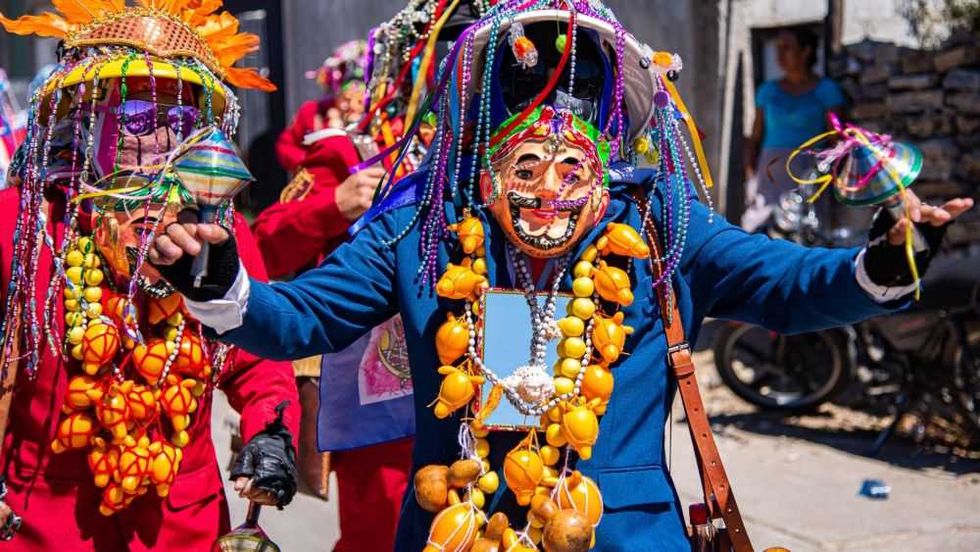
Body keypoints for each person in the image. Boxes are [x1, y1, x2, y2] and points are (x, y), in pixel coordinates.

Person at [149, 2, 974, 550]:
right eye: (527, 165)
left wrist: (880, 265)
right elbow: (300, 318)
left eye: (570, 167)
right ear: (485, 159)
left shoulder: (659, 220)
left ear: (605, 160)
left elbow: (787, 286)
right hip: (457, 532)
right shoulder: (424, 229)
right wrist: (221, 281)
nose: (548, 192)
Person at [0, 2, 300, 549]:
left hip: (179, 523)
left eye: (178, 123)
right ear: (89, 120)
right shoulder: (26, 220)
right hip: (43, 522)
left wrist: (270, 430)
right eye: (136, 119)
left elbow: (258, 359)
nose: (158, 139)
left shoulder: (219, 225)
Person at [252, 2, 489, 549]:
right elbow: (265, 243)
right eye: (454, 46)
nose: (471, 65)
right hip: (387, 399)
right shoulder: (356, 151)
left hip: (494, 387)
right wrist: (332, 206)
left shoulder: (517, 159)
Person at [743, 26, 846, 231]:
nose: (779, 55)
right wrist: (751, 178)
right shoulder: (767, 91)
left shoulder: (827, 91)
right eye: (778, 48)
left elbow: (837, 143)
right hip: (770, 175)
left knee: (806, 232)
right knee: (759, 232)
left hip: (808, 174)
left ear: (806, 51)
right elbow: (755, 138)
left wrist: (835, 181)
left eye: (787, 48)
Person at [275, 41, 368, 175]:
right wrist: (308, 162)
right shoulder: (312, 112)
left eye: (358, 100)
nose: (348, 105)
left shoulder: (374, 117)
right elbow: (285, 146)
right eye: (345, 98)